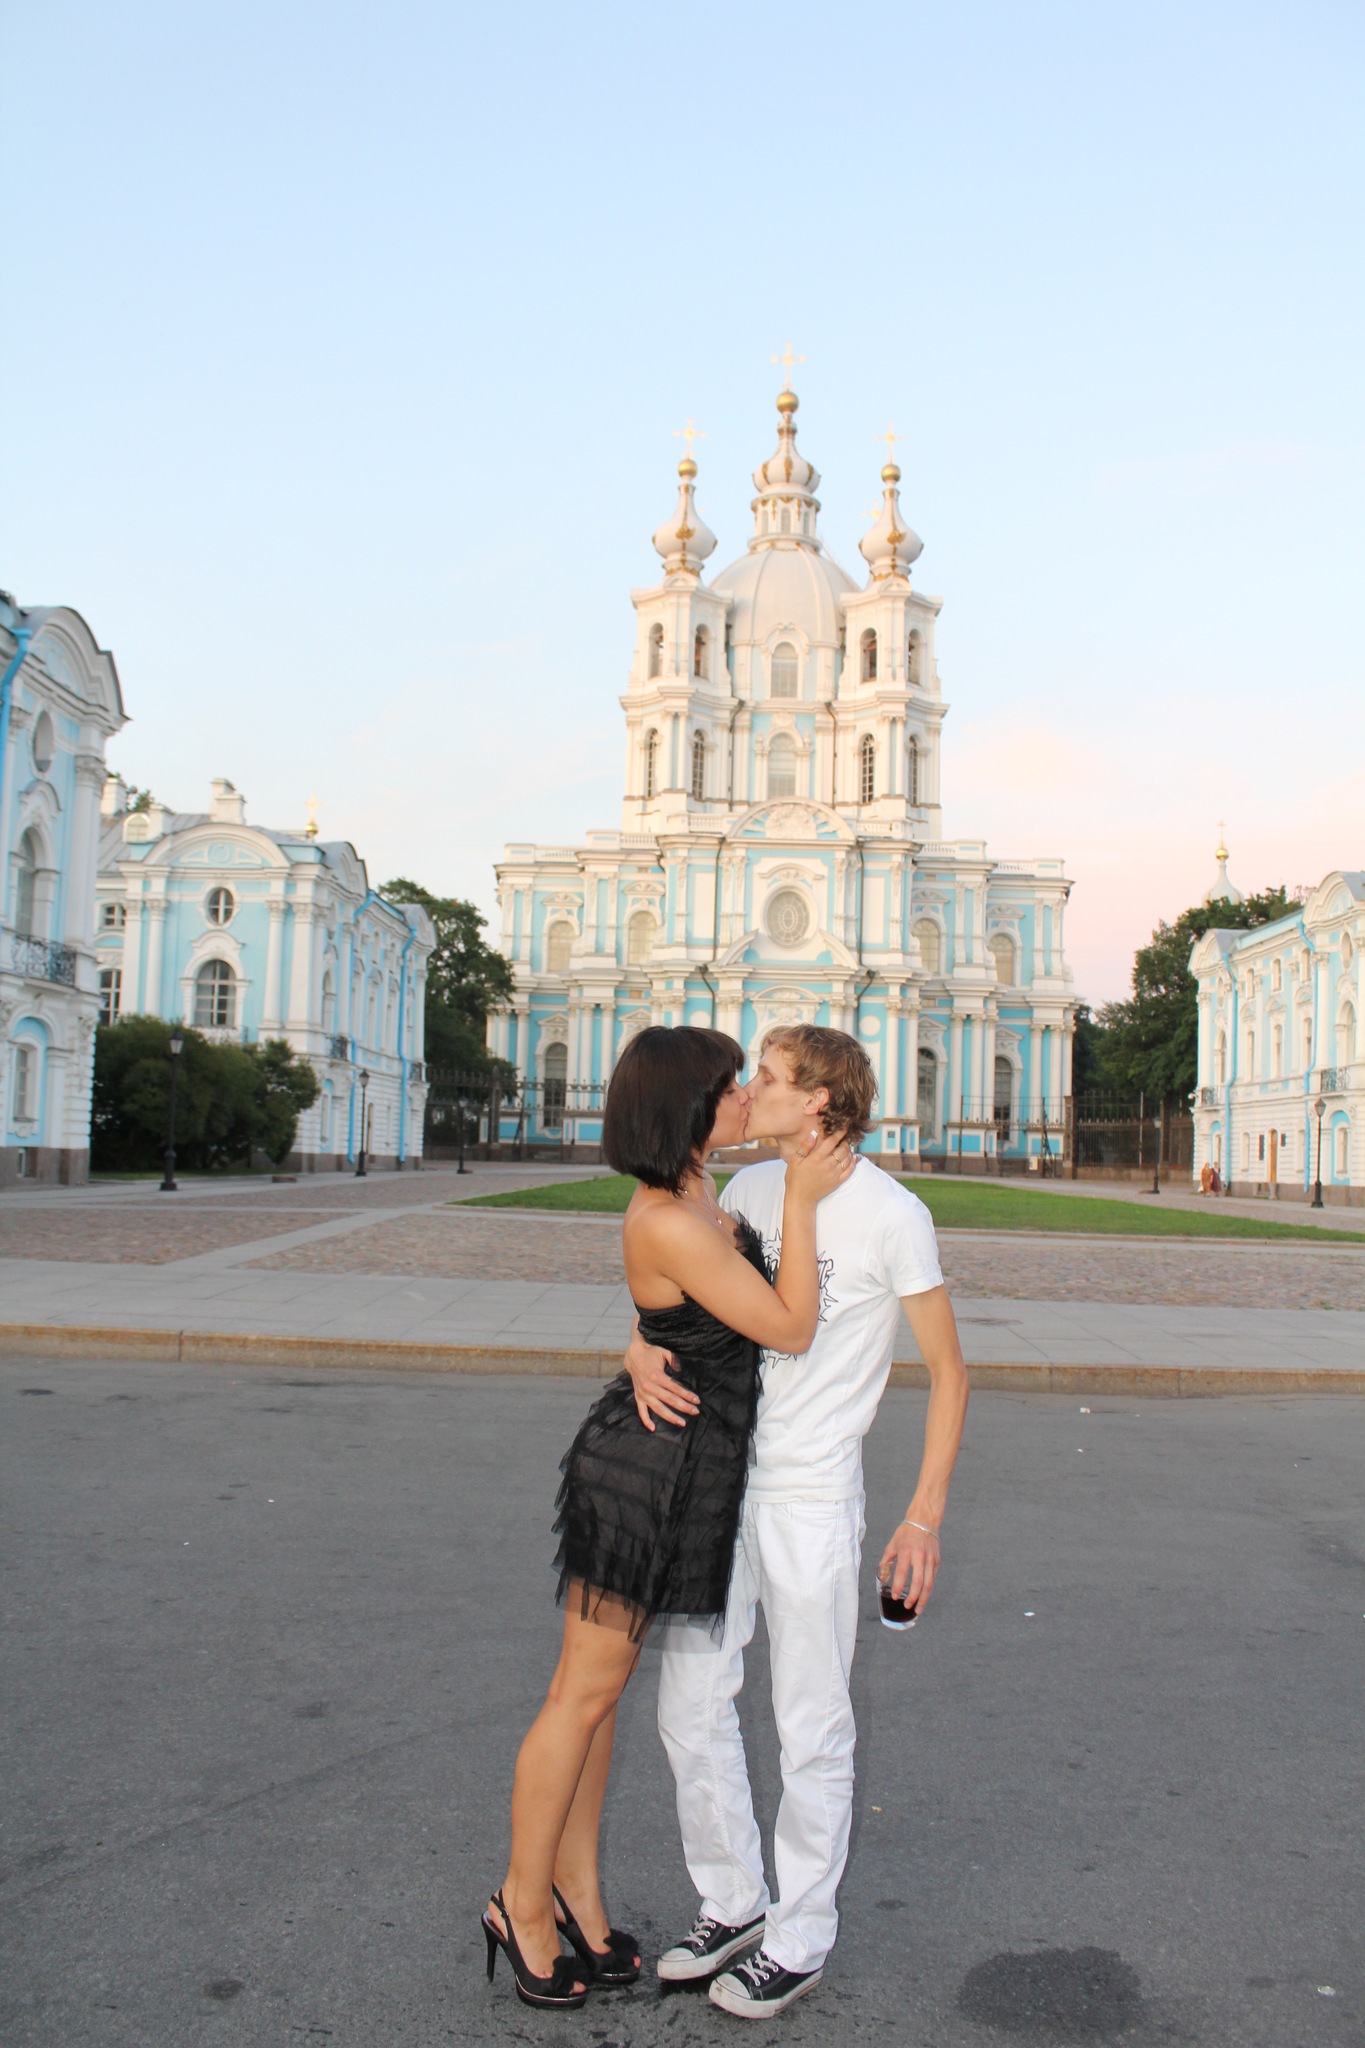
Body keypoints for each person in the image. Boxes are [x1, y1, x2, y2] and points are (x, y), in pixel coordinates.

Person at [483, 1025, 854, 2012]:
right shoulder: (671, 1214)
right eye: (730, 1086)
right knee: (580, 1696)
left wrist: (640, 1336)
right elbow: (788, 1326)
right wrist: (803, 1205)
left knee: (596, 1699)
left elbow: (673, 1310)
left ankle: (577, 1892)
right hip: (646, 1473)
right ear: (686, 1106)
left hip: (681, 1469)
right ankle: (520, 1903)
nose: (744, 1097)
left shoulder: (696, 1194)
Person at [625, 1025, 970, 2019]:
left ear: (818, 1100)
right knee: (689, 1703)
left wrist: (921, 1516)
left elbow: (949, 1371)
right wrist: (637, 1346)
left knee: (809, 1721)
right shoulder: (746, 1190)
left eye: (768, 1078)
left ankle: (801, 1933)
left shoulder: (893, 1213)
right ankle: (732, 1899)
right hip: (719, 1476)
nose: (748, 1092)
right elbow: (686, 1302)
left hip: (813, 1495)